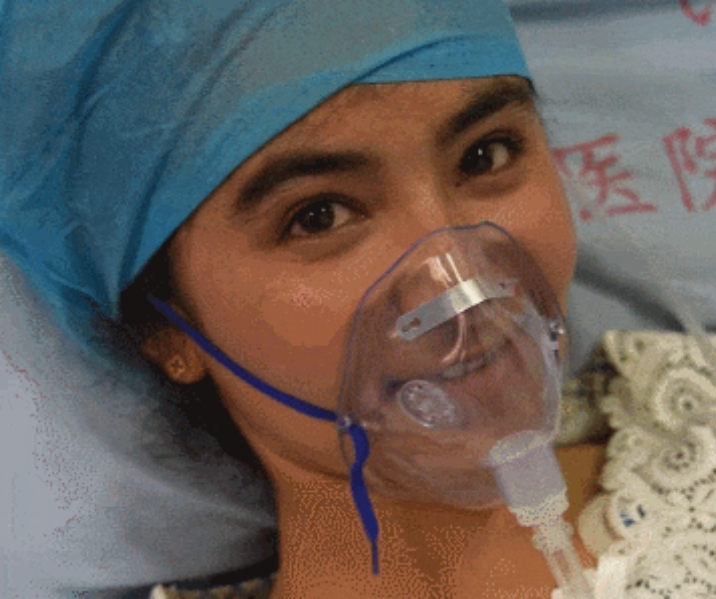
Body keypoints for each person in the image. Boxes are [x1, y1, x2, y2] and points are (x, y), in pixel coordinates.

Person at [1, 1, 605, 597]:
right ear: (167, 331)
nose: (461, 285)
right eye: (319, 216)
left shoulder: (671, 430)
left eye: (485, 155)